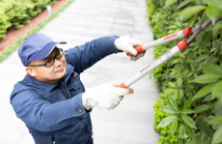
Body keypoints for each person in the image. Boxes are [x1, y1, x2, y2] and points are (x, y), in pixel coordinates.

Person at [10, 33, 146, 144]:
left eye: (57, 53)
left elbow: (91, 49)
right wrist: (87, 100)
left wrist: (117, 43)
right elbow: (42, 116)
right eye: (48, 61)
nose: (58, 63)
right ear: (31, 71)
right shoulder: (22, 94)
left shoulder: (63, 63)